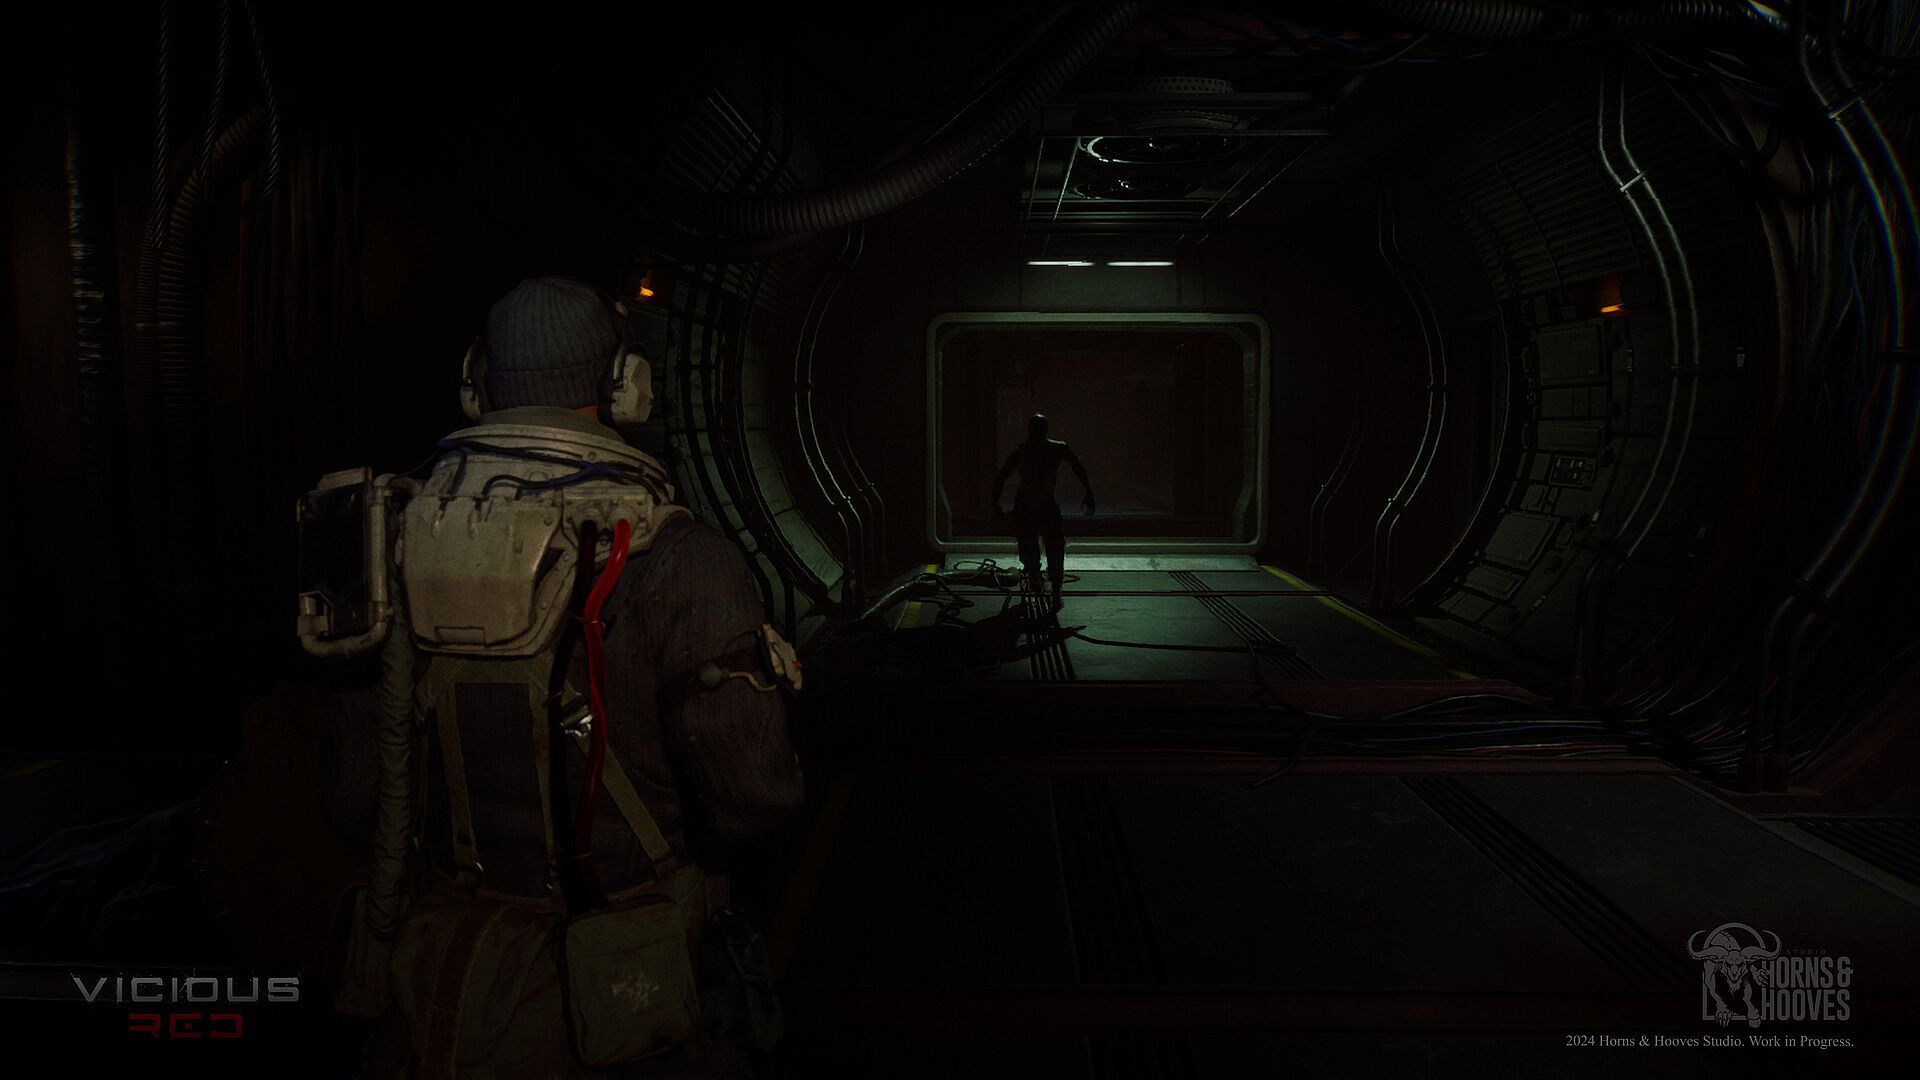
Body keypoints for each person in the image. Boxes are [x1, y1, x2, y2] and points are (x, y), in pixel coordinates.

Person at [357, 276, 805, 1077]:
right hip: (631, 989)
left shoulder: (384, 547)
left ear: (476, 385)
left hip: (447, 980)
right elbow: (754, 800)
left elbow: (353, 795)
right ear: (628, 384)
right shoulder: (683, 561)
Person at [990, 413, 1095, 612]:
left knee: (1042, 545)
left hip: (1033, 503)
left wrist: (995, 502)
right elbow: (1077, 466)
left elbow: (1003, 474)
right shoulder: (1052, 449)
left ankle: (1043, 582)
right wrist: (1088, 491)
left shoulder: (1029, 450)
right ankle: (1045, 583)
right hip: (1037, 503)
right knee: (1046, 545)